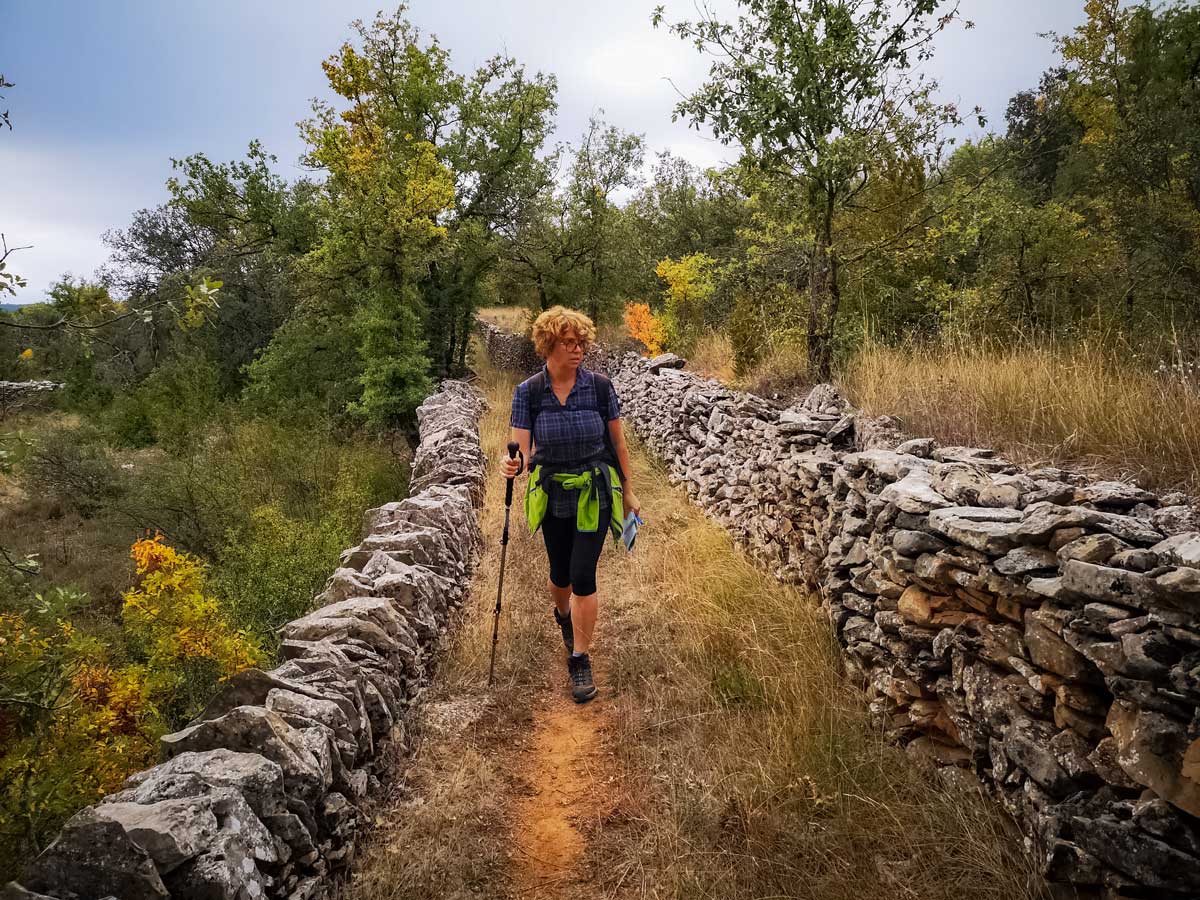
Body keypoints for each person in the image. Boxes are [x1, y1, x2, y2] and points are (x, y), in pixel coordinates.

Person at [500, 305, 642, 703]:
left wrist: (627, 490)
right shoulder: (529, 392)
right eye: (569, 342)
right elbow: (523, 451)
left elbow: (618, 443)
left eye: (582, 343)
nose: (578, 349)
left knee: (583, 575)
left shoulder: (598, 387)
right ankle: (563, 616)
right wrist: (513, 463)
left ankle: (579, 658)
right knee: (559, 573)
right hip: (552, 491)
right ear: (549, 345)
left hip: (594, 490)